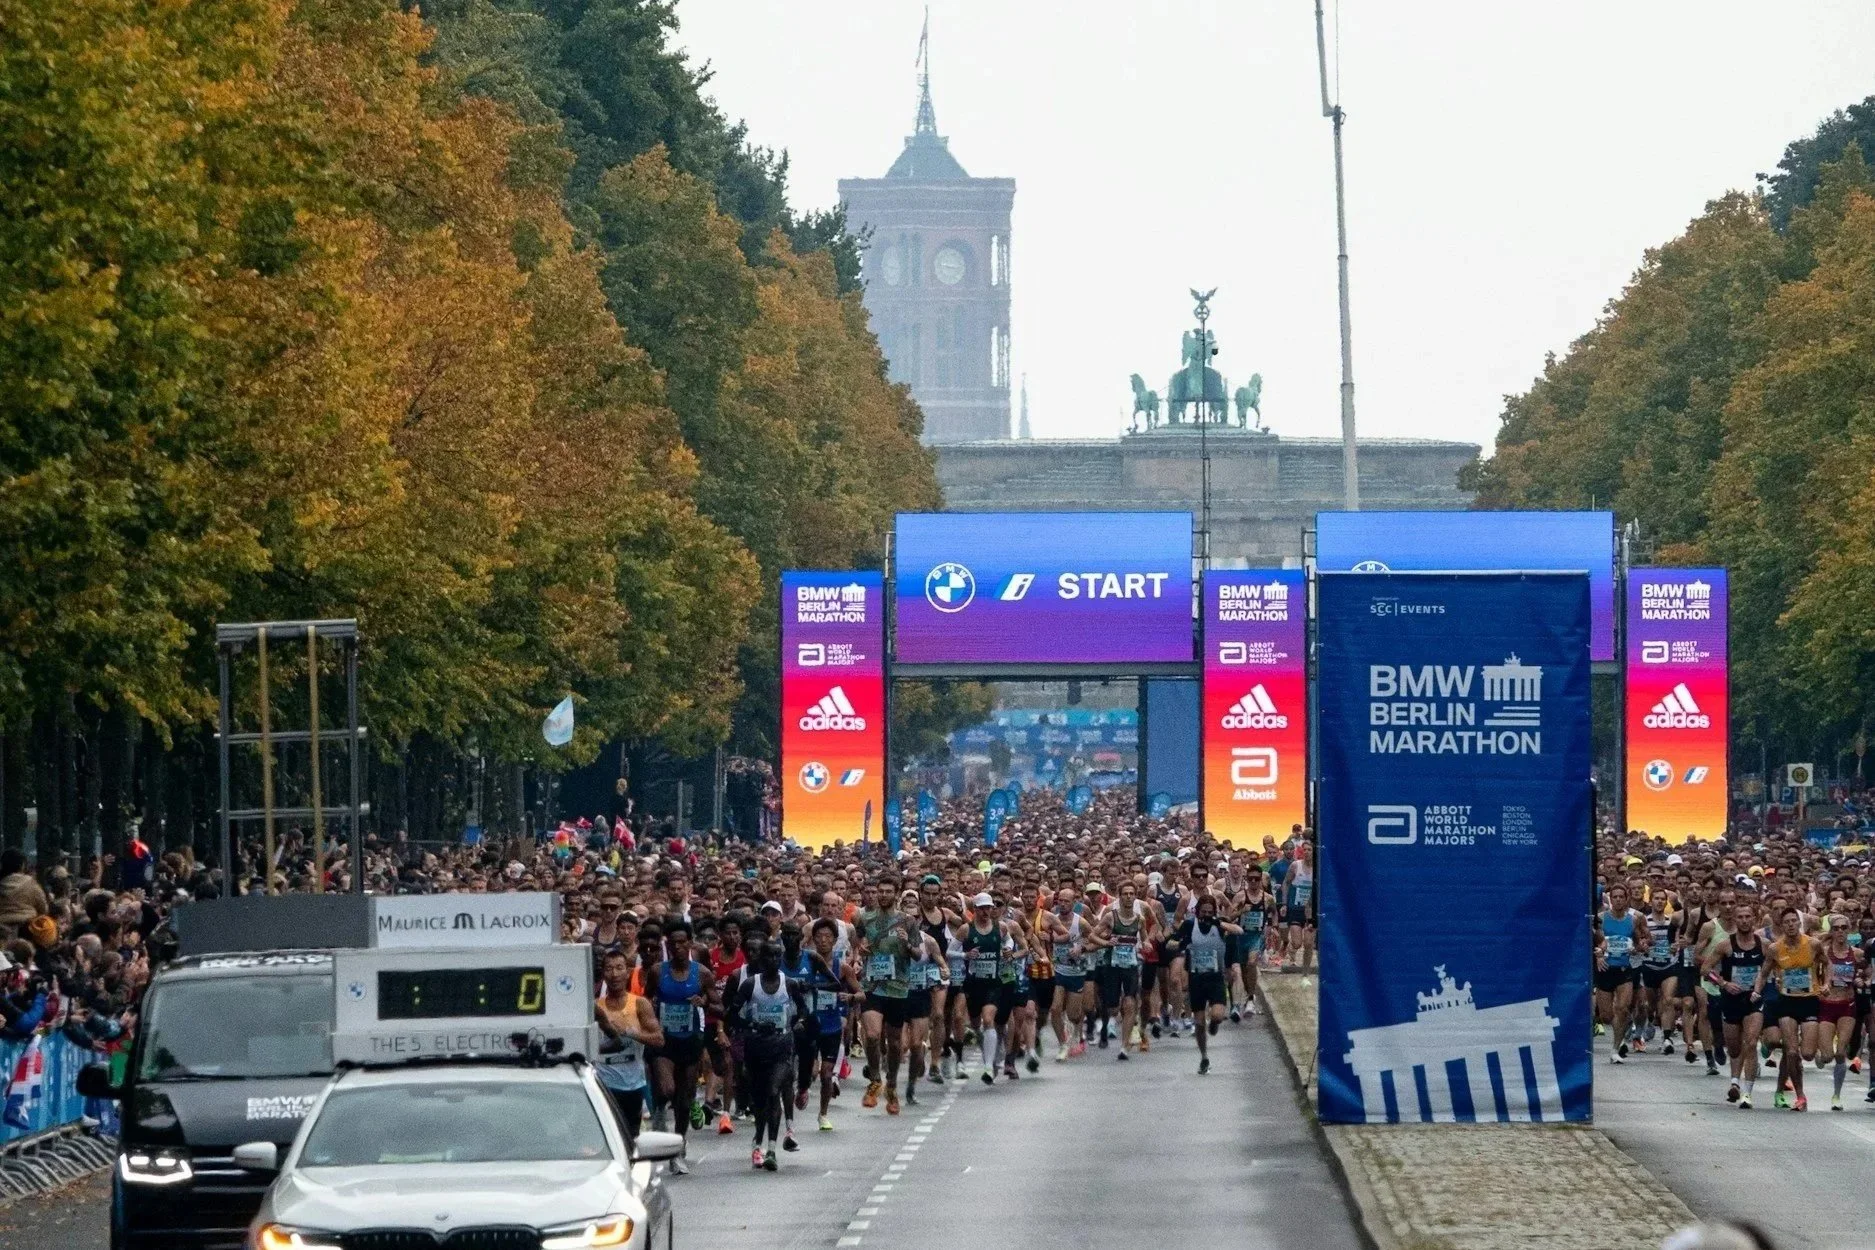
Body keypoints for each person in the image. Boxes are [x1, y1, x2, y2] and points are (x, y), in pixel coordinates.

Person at [728, 938, 810, 1170]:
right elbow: (732, 1014)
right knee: (760, 1100)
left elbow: (803, 1008)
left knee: (774, 1091)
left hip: (782, 1046)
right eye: (768, 956)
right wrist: (751, 1025)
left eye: (777, 956)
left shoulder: (790, 984)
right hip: (755, 1048)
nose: (773, 960)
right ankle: (757, 1143)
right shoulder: (749, 985)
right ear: (760, 959)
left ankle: (772, 1149)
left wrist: (800, 1022)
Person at [648, 915, 714, 1169]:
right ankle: (659, 1117)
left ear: (690, 944)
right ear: (668, 944)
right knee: (666, 1089)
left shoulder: (702, 973)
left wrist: (704, 1002)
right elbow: (646, 1000)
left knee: (684, 1101)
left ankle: (679, 1146)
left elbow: (717, 1003)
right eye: (673, 943)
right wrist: (652, 1010)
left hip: (690, 1040)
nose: (677, 948)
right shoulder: (658, 971)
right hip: (664, 1040)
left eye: (682, 943)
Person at [1163, 895, 1244, 1075]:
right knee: (1199, 1023)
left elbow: (1239, 930)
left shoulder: (1219, 925)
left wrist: (1218, 923)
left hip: (1215, 977)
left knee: (1217, 1014)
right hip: (1196, 978)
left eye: (1210, 912)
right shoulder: (1190, 925)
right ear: (1197, 911)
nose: (1206, 916)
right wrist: (1180, 944)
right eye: (1203, 912)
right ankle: (1204, 1057)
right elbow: (1171, 943)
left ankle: (1214, 1023)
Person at [594, 948, 663, 1145]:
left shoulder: (639, 1004)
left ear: (627, 972)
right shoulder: (596, 1007)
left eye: (619, 968)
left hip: (633, 1083)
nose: (614, 974)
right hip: (603, 1083)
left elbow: (659, 1040)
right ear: (603, 973)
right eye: (609, 969)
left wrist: (632, 1033)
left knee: (631, 1136)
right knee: (609, 1137)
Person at [1703, 899, 1767, 1109]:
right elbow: (1705, 969)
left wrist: (1762, 986)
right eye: (1740, 917)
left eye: (1748, 916)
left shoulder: (1763, 945)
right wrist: (1723, 983)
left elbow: (1771, 969)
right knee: (1734, 1047)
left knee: (1750, 1042)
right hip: (1731, 1000)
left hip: (1753, 1000)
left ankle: (1747, 1093)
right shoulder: (1725, 945)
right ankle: (1734, 1082)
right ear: (1735, 919)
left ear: (1754, 919)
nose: (1744, 920)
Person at [1596, 885, 1644, 1063]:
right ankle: (1620, 1028)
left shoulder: (1633, 920)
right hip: (1605, 969)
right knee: (1607, 1016)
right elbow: (1595, 942)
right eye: (1614, 897)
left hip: (1625, 969)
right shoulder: (1601, 919)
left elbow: (1639, 943)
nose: (1617, 900)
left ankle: (1615, 1049)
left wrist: (1636, 949)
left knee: (1622, 1009)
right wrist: (1598, 954)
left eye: (1621, 897)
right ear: (1611, 899)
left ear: (1626, 899)